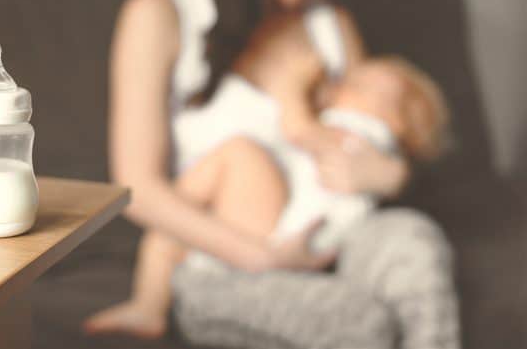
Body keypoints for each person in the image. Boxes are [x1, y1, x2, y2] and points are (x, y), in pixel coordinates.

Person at [85, 0, 459, 349]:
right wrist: (262, 256)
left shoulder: (333, 26)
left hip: (335, 240)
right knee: (356, 319)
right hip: (231, 255)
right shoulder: (162, 13)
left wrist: (390, 174)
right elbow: (137, 185)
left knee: (415, 240)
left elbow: (378, 131)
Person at [86, 55, 450, 340]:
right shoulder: (352, 130)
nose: (346, 81)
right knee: (178, 224)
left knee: (240, 154)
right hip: (272, 240)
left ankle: (159, 276)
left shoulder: (357, 132)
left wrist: (289, 87)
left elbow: (297, 129)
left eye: (363, 85)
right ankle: (160, 276)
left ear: (400, 121)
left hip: (288, 232)